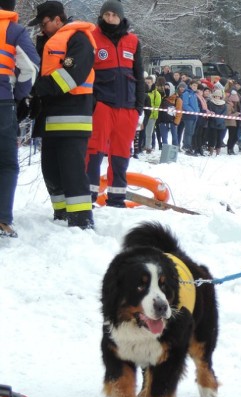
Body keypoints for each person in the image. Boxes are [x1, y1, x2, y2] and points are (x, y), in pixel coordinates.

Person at [28, 1, 97, 229]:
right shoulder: (48, 42)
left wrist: (38, 88)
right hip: (51, 116)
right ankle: (62, 214)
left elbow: (71, 75)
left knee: (72, 170)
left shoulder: (79, 38)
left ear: (58, 19)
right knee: (50, 169)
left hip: (73, 115)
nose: (42, 29)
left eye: (44, 23)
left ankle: (81, 220)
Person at [85, 0, 146, 208]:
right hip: (102, 106)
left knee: (121, 154)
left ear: (121, 17)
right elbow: (86, 73)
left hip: (128, 109)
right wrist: (93, 103)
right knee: (94, 151)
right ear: (102, 16)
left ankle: (117, 199)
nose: (110, 18)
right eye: (107, 14)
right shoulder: (92, 37)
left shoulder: (133, 41)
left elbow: (139, 75)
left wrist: (139, 107)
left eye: (114, 15)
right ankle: (88, 197)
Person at [0, 0, 39, 238]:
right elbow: (31, 67)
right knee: (6, 163)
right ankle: (2, 220)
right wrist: (18, 96)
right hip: (2, 102)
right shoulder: (13, 30)